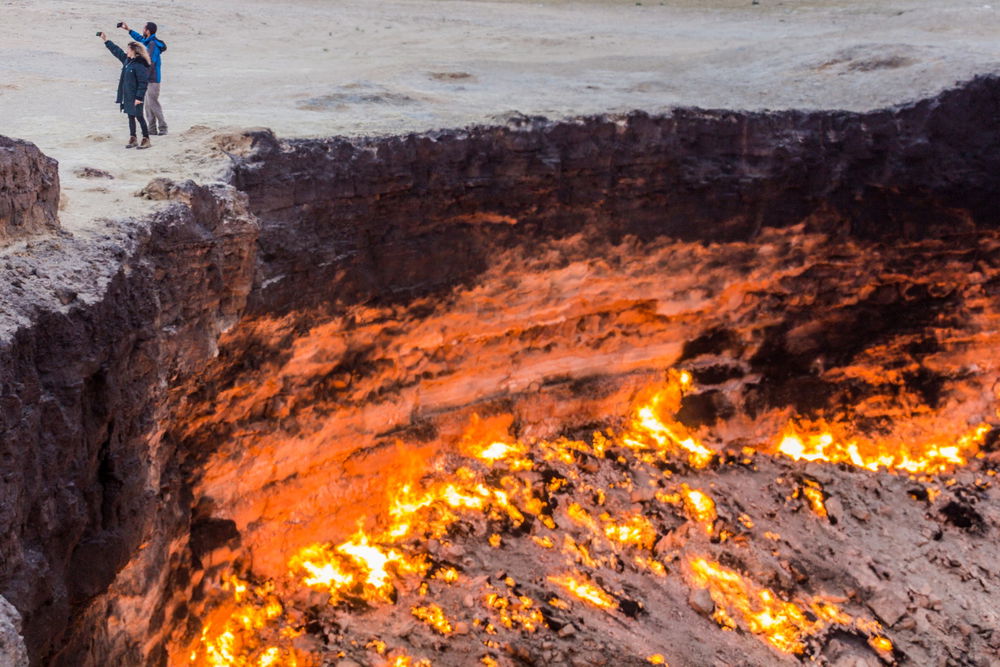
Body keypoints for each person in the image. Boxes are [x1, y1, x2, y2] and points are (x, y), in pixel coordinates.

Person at [98, 33, 152, 149]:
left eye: (128, 49)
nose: (126, 51)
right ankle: (133, 138)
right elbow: (116, 51)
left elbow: (143, 83)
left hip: (136, 96)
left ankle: (146, 139)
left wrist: (139, 98)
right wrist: (106, 40)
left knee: (139, 116)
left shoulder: (140, 65)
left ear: (134, 51)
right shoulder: (128, 61)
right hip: (127, 95)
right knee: (130, 116)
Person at [120, 21, 167, 135]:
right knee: (147, 105)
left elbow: (150, 62)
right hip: (146, 79)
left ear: (148, 31)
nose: (142, 30)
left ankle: (163, 127)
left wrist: (142, 77)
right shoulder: (147, 41)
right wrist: (128, 29)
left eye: (144, 28)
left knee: (153, 103)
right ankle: (151, 129)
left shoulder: (153, 44)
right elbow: (140, 39)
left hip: (153, 79)